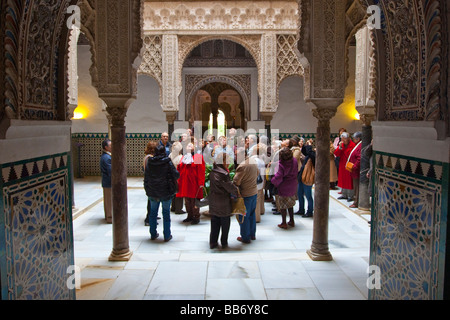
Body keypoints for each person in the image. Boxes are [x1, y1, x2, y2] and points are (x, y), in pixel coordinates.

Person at [144, 144, 180, 242]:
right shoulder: (167, 162)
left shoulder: (150, 162)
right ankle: (167, 235)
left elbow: (146, 177)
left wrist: (147, 189)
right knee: (166, 214)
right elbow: (176, 175)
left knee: (153, 214)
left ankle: (153, 234)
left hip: (153, 191)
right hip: (166, 192)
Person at [208, 152, 239, 249]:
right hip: (223, 201)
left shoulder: (213, 171)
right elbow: (229, 187)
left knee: (214, 222)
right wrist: (237, 190)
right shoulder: (224, 174)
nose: (229, 163)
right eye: (227, 161)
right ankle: (224, 242)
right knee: (225, 223)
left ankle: (213, 242)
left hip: (213, 200)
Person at [233, 148, 258, 244]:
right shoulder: (252, 160)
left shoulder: (242, 166)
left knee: (243, 216)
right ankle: (252, 234)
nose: (235, 157)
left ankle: (245, 237)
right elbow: (257, 174)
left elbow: (236, 181)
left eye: (236, 155)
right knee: (251, 214)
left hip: (245, 194)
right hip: (253, 192)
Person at [176, 142, 206, 225]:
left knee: (194, 201)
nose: (188, 146)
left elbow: (201, 171)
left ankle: (196, 217)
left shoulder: (197, 157)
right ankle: (189, 215)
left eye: (190, 145)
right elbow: (179, 168)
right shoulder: (184, 157)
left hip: (194, 183)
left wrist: (201, 183)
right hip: (185, 183)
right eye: (187, 145)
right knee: (187, 200)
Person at [271, 147, 298, 229]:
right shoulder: (294, 161)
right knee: (290, 205)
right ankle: (292, 220)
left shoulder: (281, 164)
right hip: (293, 185)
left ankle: (284, 222)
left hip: (283, 186)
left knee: (283, 206)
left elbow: (278, 177)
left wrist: (273, 181)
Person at [334, 132, 356, 201]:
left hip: (349, 164)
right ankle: (344, 194)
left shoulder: (353, 145)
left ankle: (350, 195)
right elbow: (336, 154)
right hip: (342, 164)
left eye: (344, 139)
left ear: (348, 138)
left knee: (349, 181)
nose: (343, 141)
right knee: (343, 180)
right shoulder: (342, 145)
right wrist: (340, 147)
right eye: (342, 139)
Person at [297, 139, 316, 217]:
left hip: (308, 176)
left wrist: (309, 145)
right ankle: (301, 209)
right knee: (299, 193)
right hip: (302, 175)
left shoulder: (315, 155)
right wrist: (306, 145)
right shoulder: (310, 153)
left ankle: (310, 211)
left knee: (308, 195)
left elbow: (309, 153)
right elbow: (305, 152)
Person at [250, 143, 267, 223]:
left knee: (256, 200)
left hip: (255, 182)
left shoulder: (254, 160)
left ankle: (256, 218)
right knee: (260, 197)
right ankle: (261, 210)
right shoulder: (261, 160)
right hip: (261, 181)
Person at [143, 140, 157, 226]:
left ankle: (151, 217)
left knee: (151, 200)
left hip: (149, 181)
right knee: (151, 201)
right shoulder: (149, 158)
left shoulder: (147, 157)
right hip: (151, 182)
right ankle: (149, 219)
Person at [169, 141, 185, 214]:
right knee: (179, 194)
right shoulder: (181, 157)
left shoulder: (170, 155)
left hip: (171, 177)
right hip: (179, 177)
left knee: (173, 192)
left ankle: (173, 207)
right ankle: (178, 209)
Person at [348, 132, 362, 208]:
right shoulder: (358, 145)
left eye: (354, 138)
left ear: (358, 138)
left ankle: (356, 202)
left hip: (356, 170)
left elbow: (359, 158)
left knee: (357, 187)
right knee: (355, 186)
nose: (353, 139)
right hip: (354, 170)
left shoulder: (360, 146)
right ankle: (355, 200)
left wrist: (354, 166)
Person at [100, 139, 112, 224]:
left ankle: (109, 215)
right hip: (108, 182)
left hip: (108, 182)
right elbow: (110, 172)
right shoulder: (106, 158)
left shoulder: (107, 156)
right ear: (106, 147)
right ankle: (109, 217)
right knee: (109, 200)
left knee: (109, 200)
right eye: (111, 145)